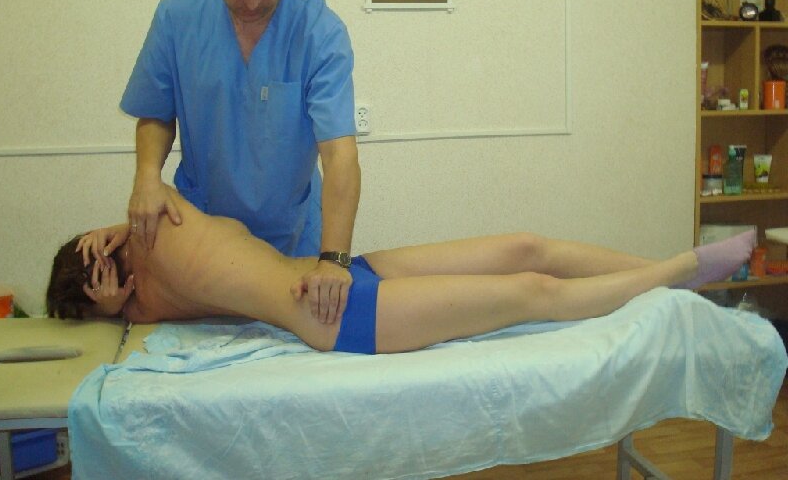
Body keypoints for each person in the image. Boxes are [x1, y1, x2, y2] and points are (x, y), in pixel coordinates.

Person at [47, 188, 756, 355]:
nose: (103, 250)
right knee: (530, 294)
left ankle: (673, 273)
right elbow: (150, 318)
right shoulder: (147, 301)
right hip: (330, 316)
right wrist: (114, 303)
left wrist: (121, 229)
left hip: (341, 273)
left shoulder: (155, 218)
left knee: (525, 247)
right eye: (95, 265)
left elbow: (154, 192)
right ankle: (683, 268)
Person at [120, 0, 360, 325]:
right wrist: (147, 178)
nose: (251, 1)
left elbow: (339, 152)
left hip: (292, 234)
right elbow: (155, 112)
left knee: (299, 344)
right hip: (202, 235)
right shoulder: (176, 19)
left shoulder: (318, 30)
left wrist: (335, 259)